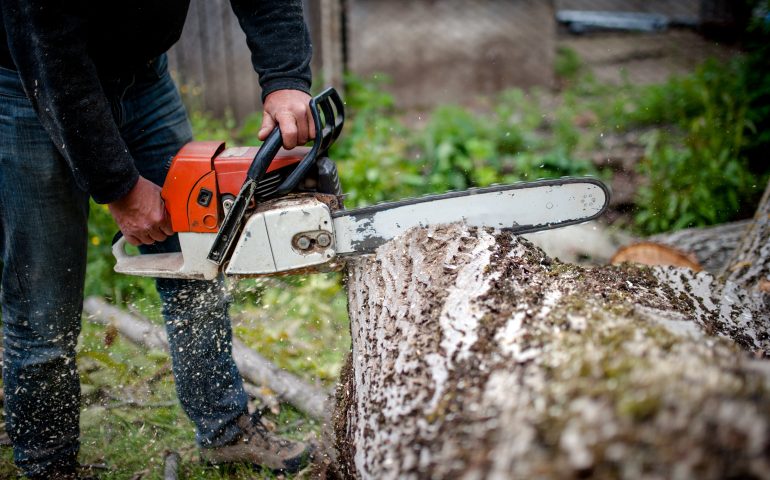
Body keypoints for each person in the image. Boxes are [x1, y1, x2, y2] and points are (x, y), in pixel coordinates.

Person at [0, 1, 317, 478]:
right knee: (42, 303)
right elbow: (52, 53)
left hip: (145, 79)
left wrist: (286, 78)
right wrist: (119, 187)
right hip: (32, 85)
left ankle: (224, 430)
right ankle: (49, 465)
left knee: (196, 265)